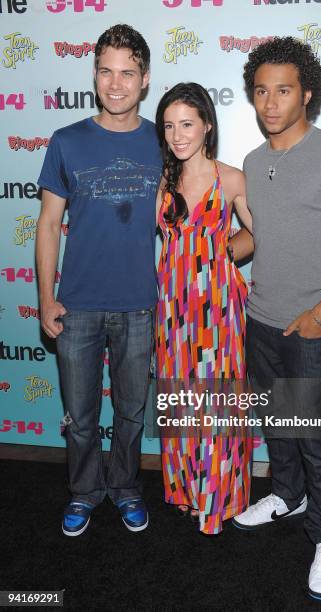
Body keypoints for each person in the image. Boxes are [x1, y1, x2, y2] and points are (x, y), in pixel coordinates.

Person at [230, 37, 321, 599]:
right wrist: (207, 246)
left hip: (313, 329)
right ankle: (286, 496)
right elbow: (258, 238)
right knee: (278, 427)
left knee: (317, 437)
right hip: (259, 320)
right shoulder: (253, 161)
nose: (270, 102)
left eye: (283, 90)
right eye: (262, 91)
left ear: (307, 95)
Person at [36, 24, 162, 536]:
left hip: (139, 304)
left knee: (131, 412)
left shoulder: (164, 140)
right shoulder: (66, 141)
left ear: (145, 79)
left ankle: (126, 487)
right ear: (94, 75)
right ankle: (85, 492)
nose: (116, 83)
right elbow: (48, 225)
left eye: (127, 73)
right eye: (106, 71)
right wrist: (46, 298)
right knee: (80, 415)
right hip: (78, 305)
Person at [155, 82, 253, 535]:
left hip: (217, 307)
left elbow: (259, 234)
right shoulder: (163, 180)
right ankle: (188, 490)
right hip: (172, 306)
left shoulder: (230, 178)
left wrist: (222, 257)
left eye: (187, 124)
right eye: (170, 126)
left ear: (207, 125)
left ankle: (216, 497)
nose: (178, 135)